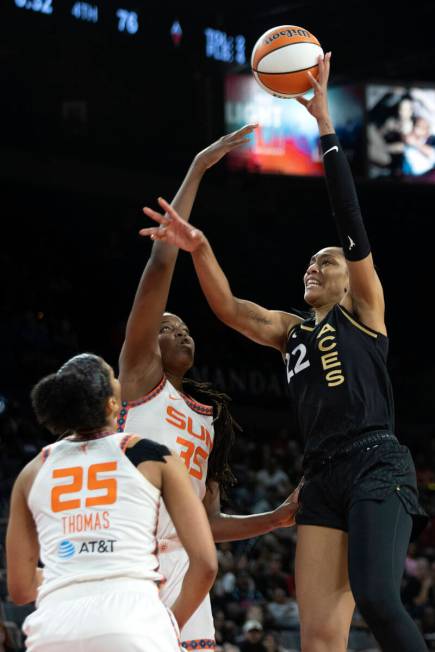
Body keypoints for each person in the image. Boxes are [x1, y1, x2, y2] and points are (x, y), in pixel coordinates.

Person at [139, 53, 429, 652]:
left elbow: (349, 219)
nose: (313, 267)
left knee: (376, 597)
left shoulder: (366, 314)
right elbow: (229, 308)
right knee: (319, 641)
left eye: (325, 262)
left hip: (377, 461)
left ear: (348, 278)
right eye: (310, 262)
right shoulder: (288, 330)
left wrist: (324, 124)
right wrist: (197, 246)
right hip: (320, 475)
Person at [118, 128, 300, 650]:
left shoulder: (207, 418)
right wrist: (198, 167)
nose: (181, 331)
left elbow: (210, 524)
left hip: (184, 563)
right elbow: (159, 266)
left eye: (186, 328)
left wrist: (277, 517)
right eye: (168, 327)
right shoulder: (139, 380)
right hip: (132, 555)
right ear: (147, 343)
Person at [6, 353, 217, 652]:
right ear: (111, 404)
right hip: (134, 620)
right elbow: (206, 565)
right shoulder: (151, 455)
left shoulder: (33, 470)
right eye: (114, 378)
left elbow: (20, 588)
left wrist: (74, 570)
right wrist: (170, 622)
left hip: (53, 628)